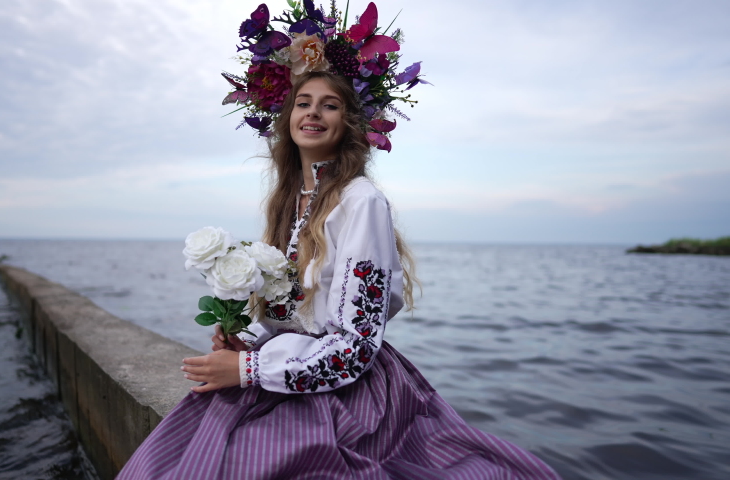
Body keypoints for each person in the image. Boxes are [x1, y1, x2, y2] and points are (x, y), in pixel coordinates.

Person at [115, 71, 561, 479]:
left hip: (345, 384)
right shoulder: (289, 200)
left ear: (347, 122)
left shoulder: (361, 201)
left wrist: (248, 368)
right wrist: (246, 339)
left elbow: (357, 345)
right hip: (286, 364)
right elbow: (295, 311)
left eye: (329, 105)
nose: (312, 112)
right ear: (287, 116)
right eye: (303, 102)